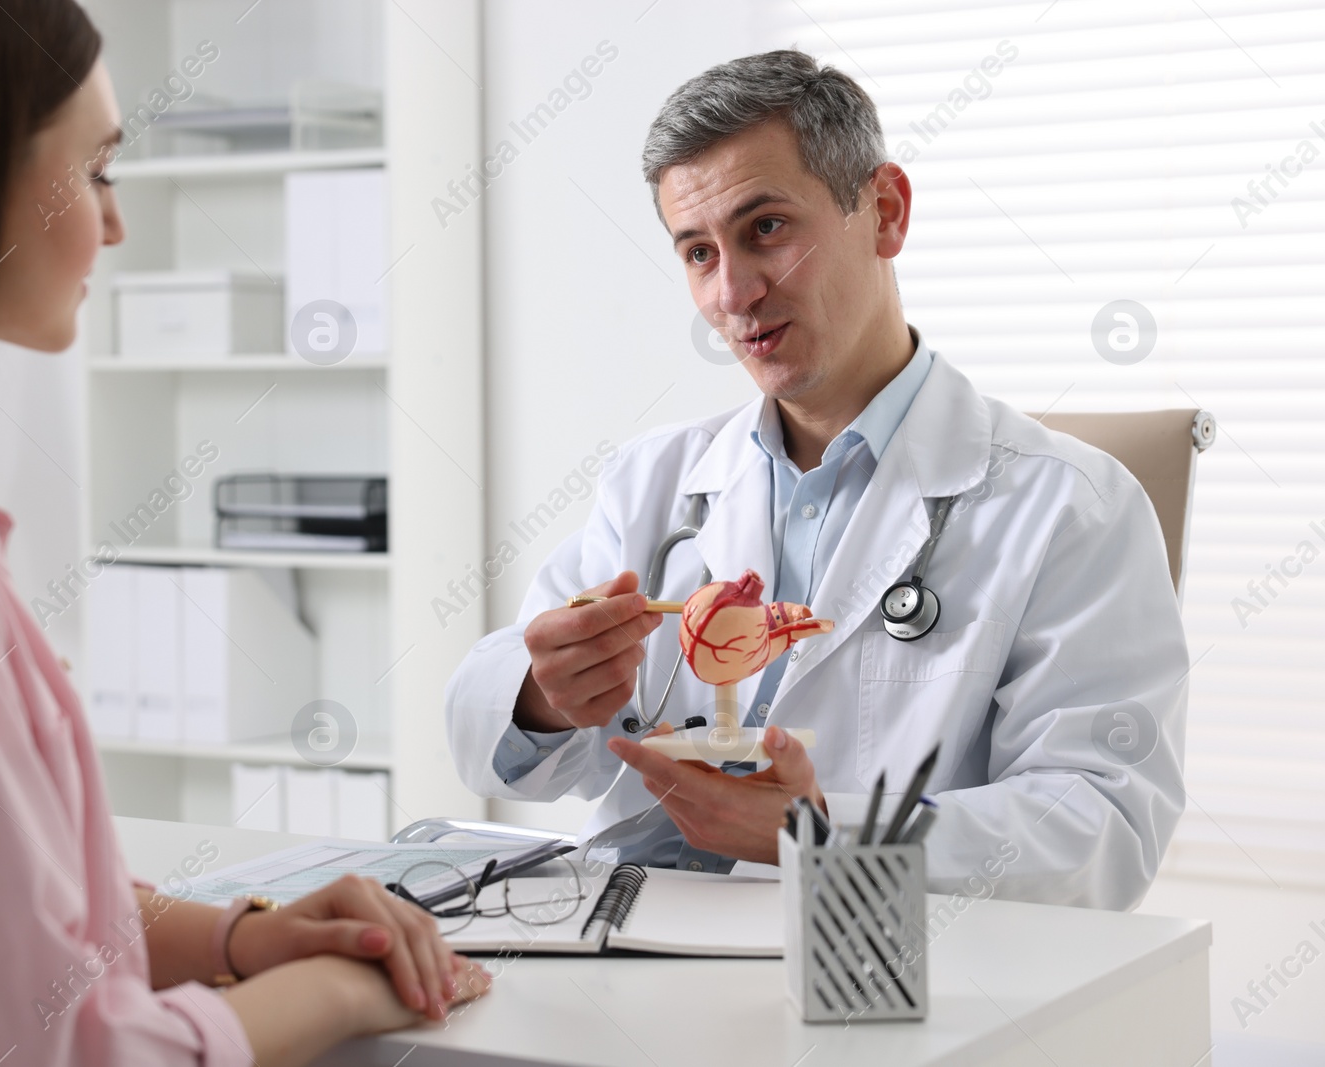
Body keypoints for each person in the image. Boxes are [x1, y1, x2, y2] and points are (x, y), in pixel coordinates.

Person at [0, 2, 486, 1064]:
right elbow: (47, 1049)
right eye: (94, 173)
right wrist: (340, 990)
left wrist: (241, 932)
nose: (116, 223)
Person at [446, 49, 1188, 910]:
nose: (735, 292)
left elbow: (1103, 824)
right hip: (631, 934)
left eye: (765, 228)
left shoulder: (1070, 506)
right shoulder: (656, 481)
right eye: (697, 251)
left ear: (885, 211)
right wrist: (544, 694)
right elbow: (482, 724)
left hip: (873, 969)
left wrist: (823, 834)